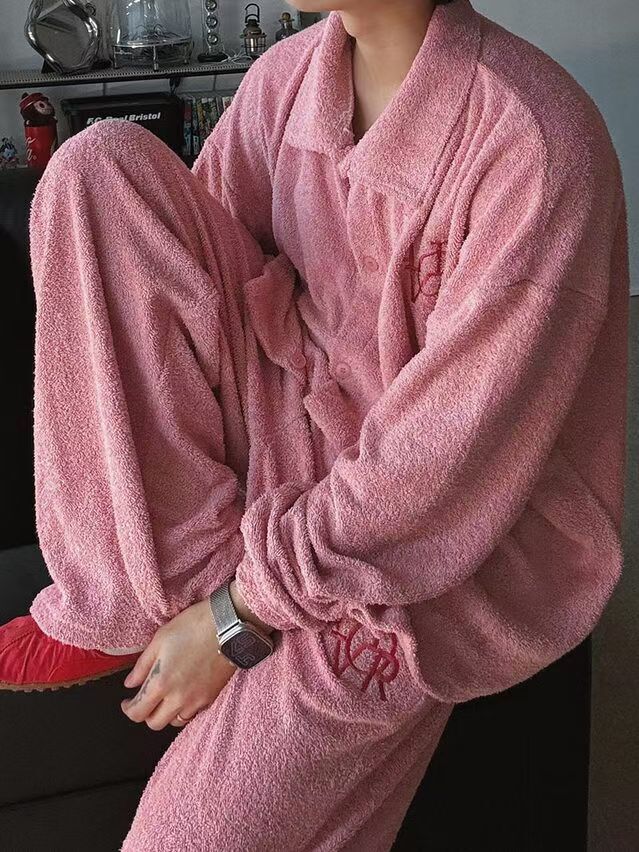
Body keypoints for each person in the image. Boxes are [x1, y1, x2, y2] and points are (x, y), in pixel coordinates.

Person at [0, 0, 629, 848]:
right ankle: (128, 594)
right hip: (289, 427)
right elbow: (193, 287)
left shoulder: (535, 146)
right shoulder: (288, 78)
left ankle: (236, 589)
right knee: (96, 164)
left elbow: (443, 465)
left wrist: (235, 617)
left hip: (431, 535)